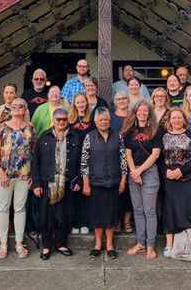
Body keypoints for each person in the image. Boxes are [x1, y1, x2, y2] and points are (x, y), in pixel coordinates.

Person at [31, 108, 82, 260]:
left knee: (63, 215)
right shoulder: (44, 137)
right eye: (58, 119)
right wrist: (37, 184)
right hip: (48, 183)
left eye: (64, 119)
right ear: (53, 120)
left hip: (67, 183)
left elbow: (81, 161)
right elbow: (35, 162)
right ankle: (46, 246)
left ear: (68, 120)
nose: (61, 122)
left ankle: (60, 244)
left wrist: (78, 180)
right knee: (46, 217)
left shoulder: (74, 137)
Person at [0, 98, 36, 259]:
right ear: (10, 109)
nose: (17, 108)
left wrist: (32, 174)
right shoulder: (2, 127)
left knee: (20, 208)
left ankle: (19, 242)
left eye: (21, 106)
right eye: (14, 106)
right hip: (5, 175)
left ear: (25, 109)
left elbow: (34, 151)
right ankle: (3, 243)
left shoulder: (30, 128)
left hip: (24, 175)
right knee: (3, 207)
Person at [81, 108, 127, 259]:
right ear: (95, 121)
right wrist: (86, 183)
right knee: (97, 215)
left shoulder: (118, 136)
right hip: (95, 183)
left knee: (111, 216)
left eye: (106, 119)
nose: (103, 122)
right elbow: (84, 162)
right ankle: (98, 244)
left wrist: (123, 180)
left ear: (109, 121)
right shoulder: (90, 136)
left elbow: (123, 160)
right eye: (100, 119)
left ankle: (110, 244)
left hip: (114, 182)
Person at [159, 107, 191, 258]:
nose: (176, 120)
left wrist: (181, 171)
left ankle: (189, 245)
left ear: (184, 119)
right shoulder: (163, 135)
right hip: (169, 178)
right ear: (169, 120)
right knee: (169, 209)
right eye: (174, 118)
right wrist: (166, 172)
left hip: (188, 178)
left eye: (179, 117)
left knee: (188, 209)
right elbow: (158, 157)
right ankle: (169, 244)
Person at [122, 101, 161, 260]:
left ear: (149, 113)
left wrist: (139, 170)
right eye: (140, 110)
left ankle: (150, 245)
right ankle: (141, 243)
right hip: (134, 172)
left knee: (149, 211)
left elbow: (155, 154)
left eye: (145, 110)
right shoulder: (130, 131)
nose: (143, 113)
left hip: (149, 172)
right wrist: (134, 171)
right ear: (135, 112)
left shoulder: (155, 130)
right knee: (137, 210)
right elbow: (128, 153)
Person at [68, 93, 93, 235]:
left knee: (86, 190)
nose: (81, 104)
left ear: (86, 103)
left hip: (89, 158)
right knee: (75, 191)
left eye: (83, 102)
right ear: (75, 104)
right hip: (74, 158)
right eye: (78, 102)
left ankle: (85, 222)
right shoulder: (70, 120)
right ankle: (75, 222)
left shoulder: (91, 119)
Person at [110, 91, 133, 233]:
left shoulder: (133, 116)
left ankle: (127, 222)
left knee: (129, 191)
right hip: (114, 157)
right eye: (119, 99)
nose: (122, 101)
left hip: (131, 156)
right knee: (117, 190)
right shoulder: (111, 118)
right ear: (115, 102)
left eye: (124, 98)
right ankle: (116, 221)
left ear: (128, 100)